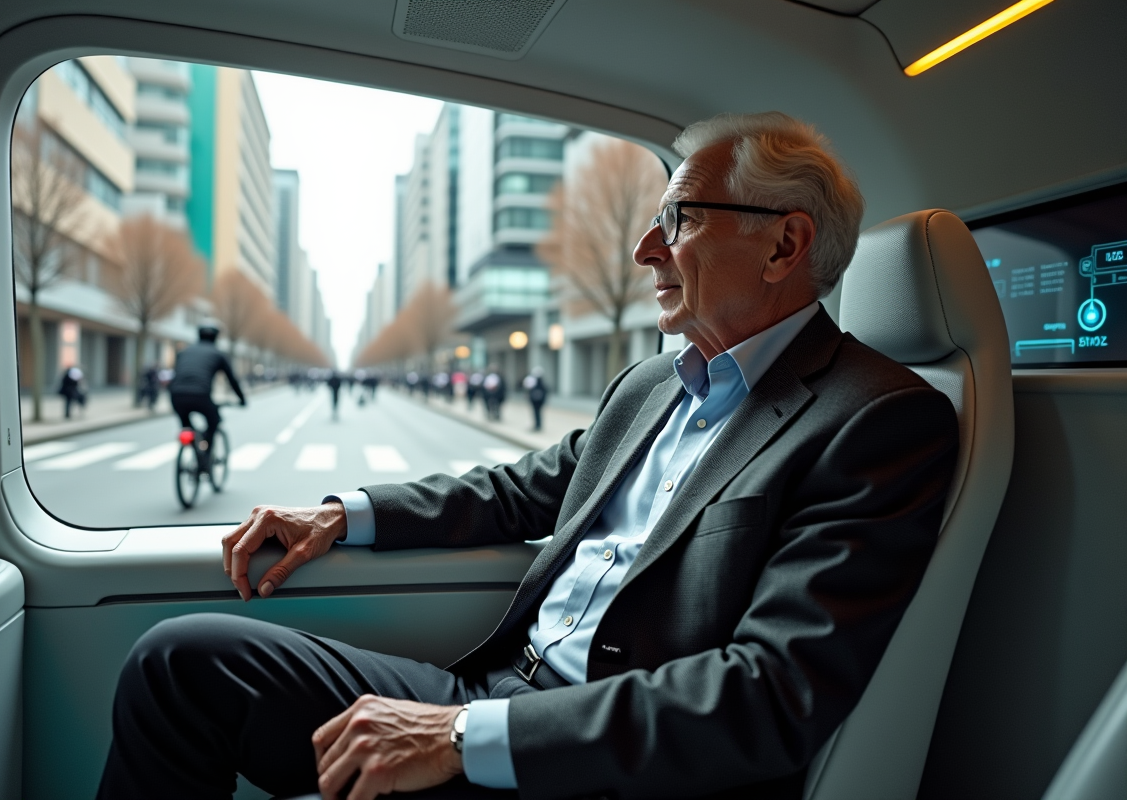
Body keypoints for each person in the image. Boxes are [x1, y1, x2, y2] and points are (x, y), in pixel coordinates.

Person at [98, 112, 959, 800]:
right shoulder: (652, 385)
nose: (644, 250)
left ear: (784, 245)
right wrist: (342, 515)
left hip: (597, 765)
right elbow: (520, 490)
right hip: (493, 692)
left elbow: (767, 694)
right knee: (181, 663)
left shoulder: (878, 420)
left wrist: (459, 739)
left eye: (679, 219)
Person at [168, 324, 246, 471]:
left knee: (187, 427)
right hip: (201, 396)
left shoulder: (183, 352)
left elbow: (176, 375)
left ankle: (193, 447)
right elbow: (232, 380)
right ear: (216, 338)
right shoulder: (218, 354)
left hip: (176, 396)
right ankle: (205, 458)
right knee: (214, 421)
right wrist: (242, 399)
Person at [523, 367, 548, 432]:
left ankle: (538, 425)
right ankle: (537, 425)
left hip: (537, 401)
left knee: (537, 413)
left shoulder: (538, 382)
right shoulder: (540, 382)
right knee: (537, 413)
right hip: (536, 401)